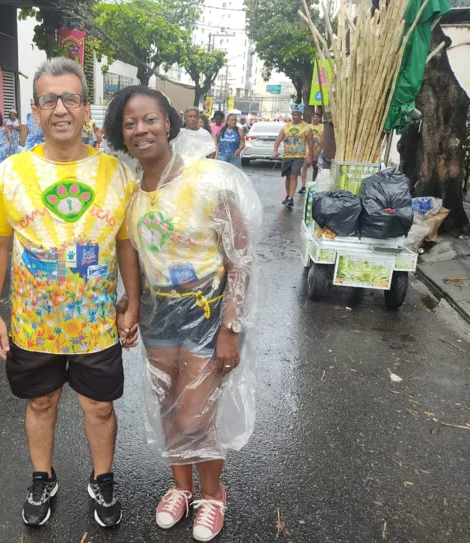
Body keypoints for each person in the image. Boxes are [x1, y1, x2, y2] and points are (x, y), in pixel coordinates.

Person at [0, 57, 141, 529]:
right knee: (41, 402)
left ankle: (103, 480)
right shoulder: (11, 173)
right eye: (48, 99)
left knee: (99, 405)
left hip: (95, 322)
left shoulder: (117, 174)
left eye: (70, 97)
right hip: (34, 321)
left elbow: (126, 243)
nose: (60, 109)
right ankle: (41, 478)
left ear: (85, 107)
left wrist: (132, 301)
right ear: (34, 110)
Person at [104, 86, 262, 542]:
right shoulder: (131, 195)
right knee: (170, 408)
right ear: (123, 133)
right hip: (161, 316)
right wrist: (132, 307)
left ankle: (212, 495)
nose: (140, 130)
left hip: (209, 311)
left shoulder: (208, 178)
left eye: (149, 119)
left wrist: (231, 326)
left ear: (168, 123)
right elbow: (129, 255)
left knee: (197, 413)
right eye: (130, 123)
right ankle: (180, 488)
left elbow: (240, 258)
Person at [273, 106, 313, 208]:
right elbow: (278, 139)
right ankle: (287, 196)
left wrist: (311, 156)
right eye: (294, 114)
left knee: (293, 176)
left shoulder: (306, 127)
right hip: (287, 155)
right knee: (287, 177)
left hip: (299, 156)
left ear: (301, 115)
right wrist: (275, 151)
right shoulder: (285, 127)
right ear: (291, 115)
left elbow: (310, 142)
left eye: (298, 114)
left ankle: (291, 198)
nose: (296, 116)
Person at [300, 111, 324, 194]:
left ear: (320, 118)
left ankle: (314, 183)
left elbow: (323, 140)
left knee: (316, 168)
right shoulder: (308, 127)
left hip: (318, 150)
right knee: (304, 167)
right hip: (307, 150)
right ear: (311, 118)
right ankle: (303, 185)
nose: (315, 118)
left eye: (317, 117)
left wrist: (318, 152)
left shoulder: (322, 127)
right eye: (314, 117)